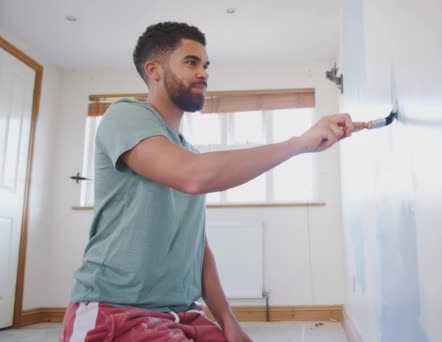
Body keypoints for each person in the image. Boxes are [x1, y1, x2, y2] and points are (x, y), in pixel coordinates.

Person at [60, 21, 354, 342]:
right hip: (116, 312)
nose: (203, 73)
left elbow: (196, 245)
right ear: (154, 70)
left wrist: (227, 319)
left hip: (185, 313)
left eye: (205, 65)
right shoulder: (125, 115)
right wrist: (299, 143)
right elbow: (195, 175)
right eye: (191, 62)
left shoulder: (187, 152)